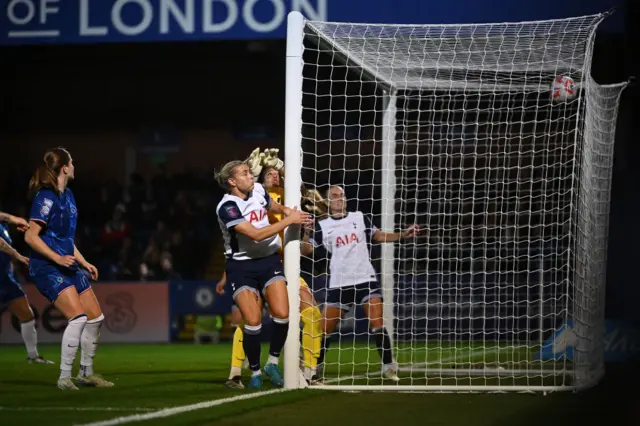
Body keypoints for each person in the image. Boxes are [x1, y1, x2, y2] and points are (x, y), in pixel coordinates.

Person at [217, 148, 324, 387]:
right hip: (243, 267)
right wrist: (290, 220)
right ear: (232, 182)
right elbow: (254, 235)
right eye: (246, 173)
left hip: (271, 261)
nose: (251, 177)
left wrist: (288, 211)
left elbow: (286, 202)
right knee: (251, 322)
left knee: (284, 314)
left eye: (250, 172)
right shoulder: (228, 207)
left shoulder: (260, 191)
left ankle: (276, 363)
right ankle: (249, 371)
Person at [302, 185, 419, 382]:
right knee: (324, 330)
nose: (340, 198)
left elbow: (378, 236)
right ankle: (315, 366)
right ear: (328, 202)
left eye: (342, 195)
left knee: (377, 323)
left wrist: (402, 235)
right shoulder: (323, 226)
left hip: (366, 279)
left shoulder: (359, 217)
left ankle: (389, 367)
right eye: (335, 196)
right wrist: (305, 233)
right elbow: (306, 250)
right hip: (339, 283)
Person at [24, 147, 113, 390]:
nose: (74, 165)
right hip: (47, 267)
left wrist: (84, 262)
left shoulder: (69, 195)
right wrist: (57, 258)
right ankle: (64, 377)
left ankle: (85, 373)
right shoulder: (45, 197)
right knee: (78, 318)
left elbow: (66, 240)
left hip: (68, 264)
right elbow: (31, 237)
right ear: (64, 167)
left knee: (96, 319)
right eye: (72, 161)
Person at [0, 212, 54, 364]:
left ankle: (33, 356)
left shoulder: (2, 224)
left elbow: (5, 217)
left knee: (26, 315)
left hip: (5, 280)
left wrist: (15, 219)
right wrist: (17, 256)